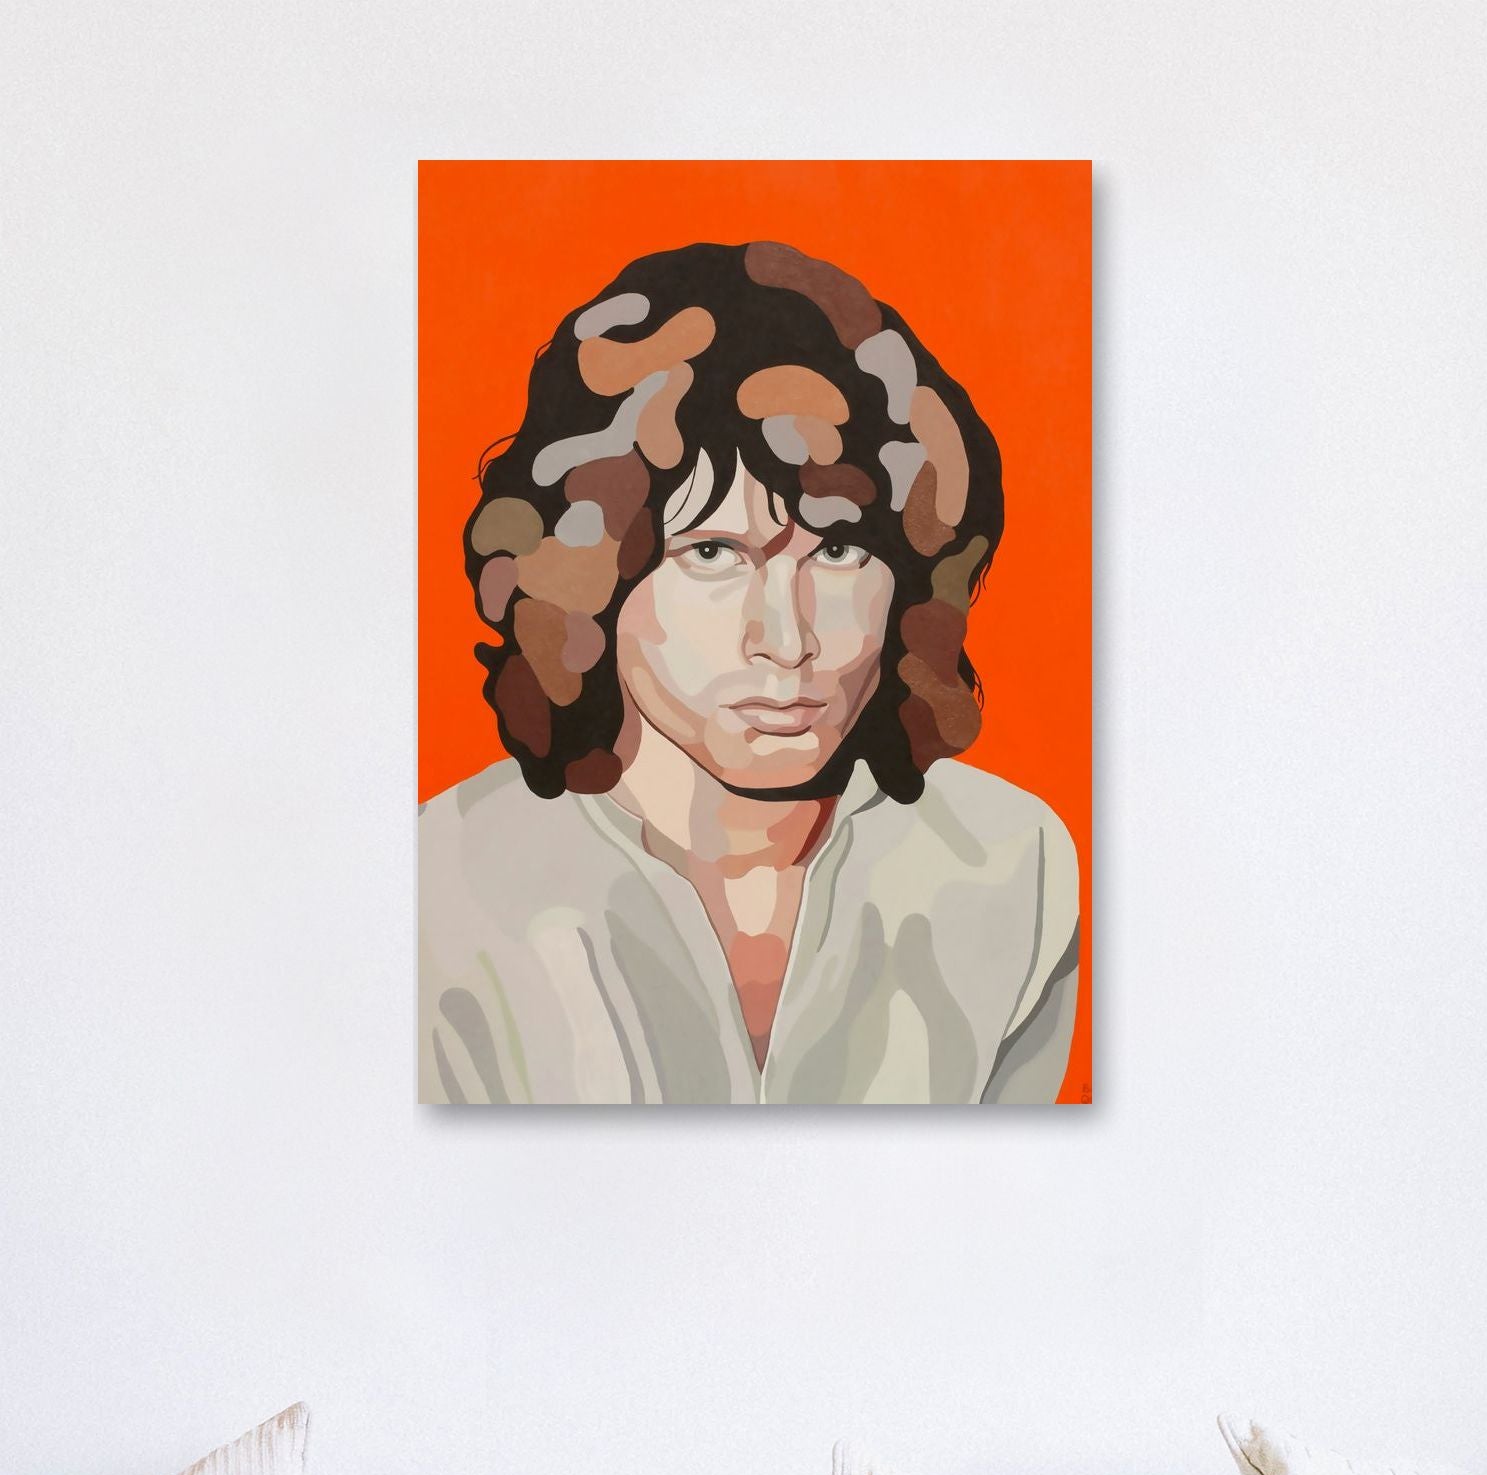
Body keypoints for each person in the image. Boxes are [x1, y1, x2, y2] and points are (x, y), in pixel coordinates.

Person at [418, 239, 1080, 1104]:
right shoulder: (438, 890)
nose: (786, 638)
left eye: (837, 550)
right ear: (589, 574)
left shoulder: (1015, 868)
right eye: (713, 553)